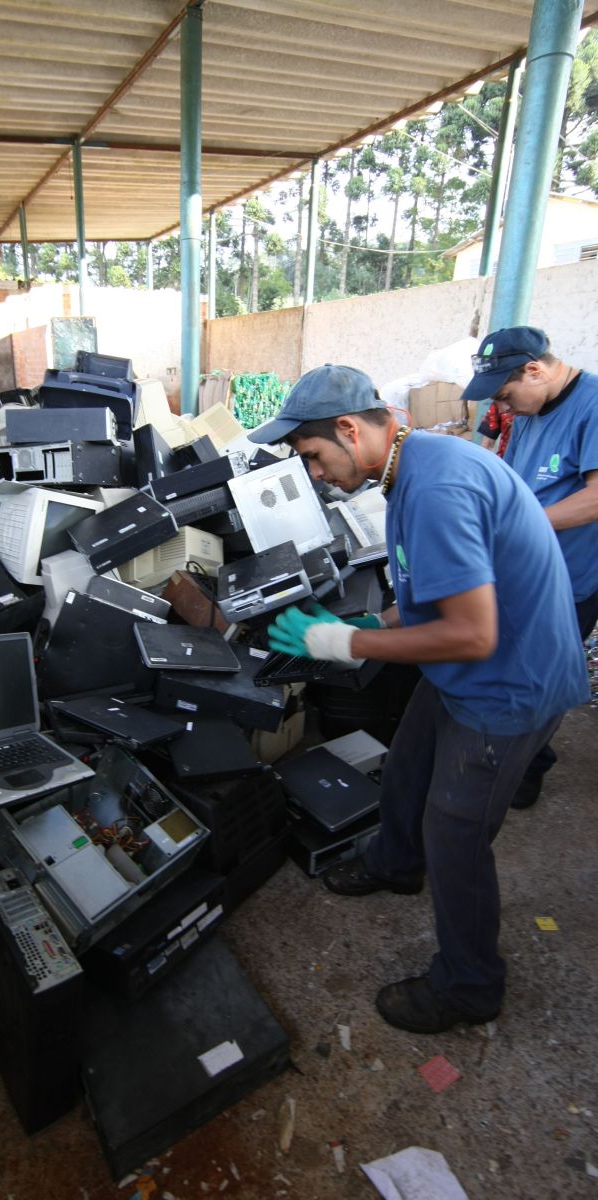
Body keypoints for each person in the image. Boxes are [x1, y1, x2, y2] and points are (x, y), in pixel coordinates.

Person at [249, 363, 589, 1035]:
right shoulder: (411, 468)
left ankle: (470, 986)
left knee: (456, 835)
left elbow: (470, 631)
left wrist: (343, 645)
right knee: (407, 762)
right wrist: (372, 625)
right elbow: (429, 597)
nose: (313, 474)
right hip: (475, 669)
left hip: (509, 684)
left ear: (350, 430)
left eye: (313, 456)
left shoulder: (436, 487)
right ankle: (396, 864)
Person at [462, 326, 598, 808]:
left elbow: (594, 500)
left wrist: (517, 525)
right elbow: (511, 481)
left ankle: (530, 765)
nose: (505, 407)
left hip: (570, 576)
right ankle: (508, 750)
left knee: (543, 676)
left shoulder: (593, 405)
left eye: (506, 393)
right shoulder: (532, 408)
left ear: (535, 369)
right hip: (525, 565)